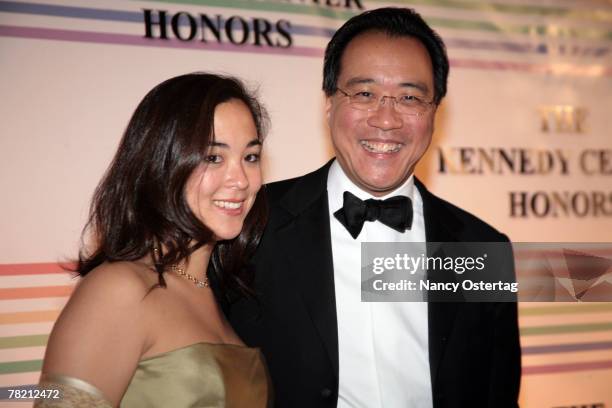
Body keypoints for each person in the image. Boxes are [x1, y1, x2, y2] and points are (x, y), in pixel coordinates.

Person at [227, 7, 521, 408]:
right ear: (329, 104)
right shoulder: (247, 223)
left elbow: (495, 394)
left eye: (409, 97)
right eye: (364, 94)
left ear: (436, 112)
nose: (386, 120)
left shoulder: (480, 246)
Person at [35, 73, 271, 407]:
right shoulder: (119, 289)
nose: (241, 180)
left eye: (250, 157)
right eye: (213, 157)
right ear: (162, 163)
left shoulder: (217, 292)